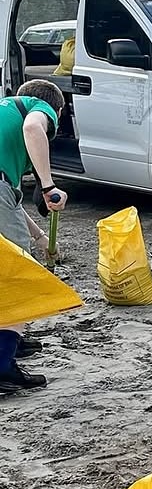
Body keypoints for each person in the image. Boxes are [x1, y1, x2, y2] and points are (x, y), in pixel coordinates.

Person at [0, 79, 68, 395]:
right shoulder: (39, 107)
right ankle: (2, 362)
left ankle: (10, 335)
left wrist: (40, 237)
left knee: (9, 265)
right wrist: (48, 185)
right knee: (19, 273)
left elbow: (10, 199)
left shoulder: (4, 112)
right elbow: (33, 129)